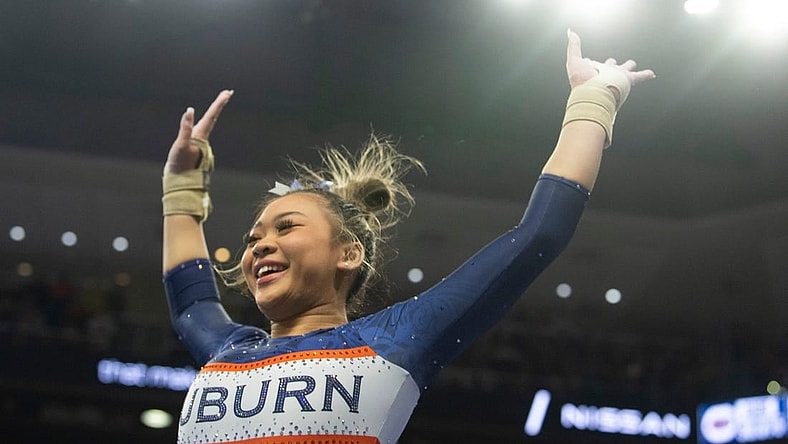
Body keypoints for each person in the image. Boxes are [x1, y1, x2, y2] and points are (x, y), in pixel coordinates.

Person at [161, 30, 655, 444]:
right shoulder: (228, 351)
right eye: (253, 238)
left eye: (286, 227)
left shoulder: (393, 340)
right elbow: (190, 303)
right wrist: (181, 186)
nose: (259, 246)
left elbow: (537, 236)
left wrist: (594, 100)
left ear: (348, 254)